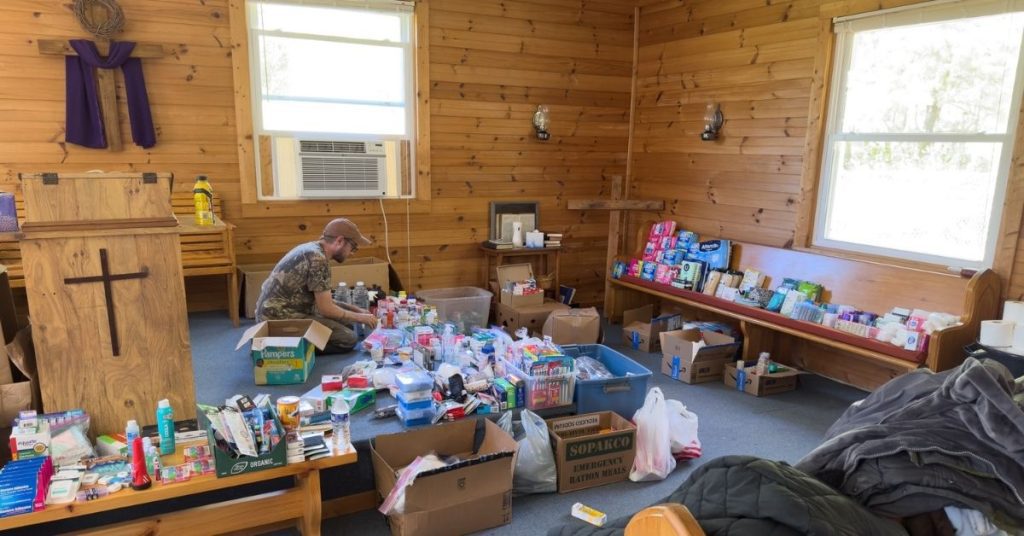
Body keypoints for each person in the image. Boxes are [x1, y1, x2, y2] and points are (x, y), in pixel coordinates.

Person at [255, 218, 378, 353]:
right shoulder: (318, 260)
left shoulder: (312, 249)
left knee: (348, 324)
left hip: (274, 312)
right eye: (353, 247)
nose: (352, 253)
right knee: (348, 338)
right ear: (340, 241)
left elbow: (325, 301)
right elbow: (326, 309)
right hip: (278, 319)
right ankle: (283, 348)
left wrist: (357, 310)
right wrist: (360, 317)